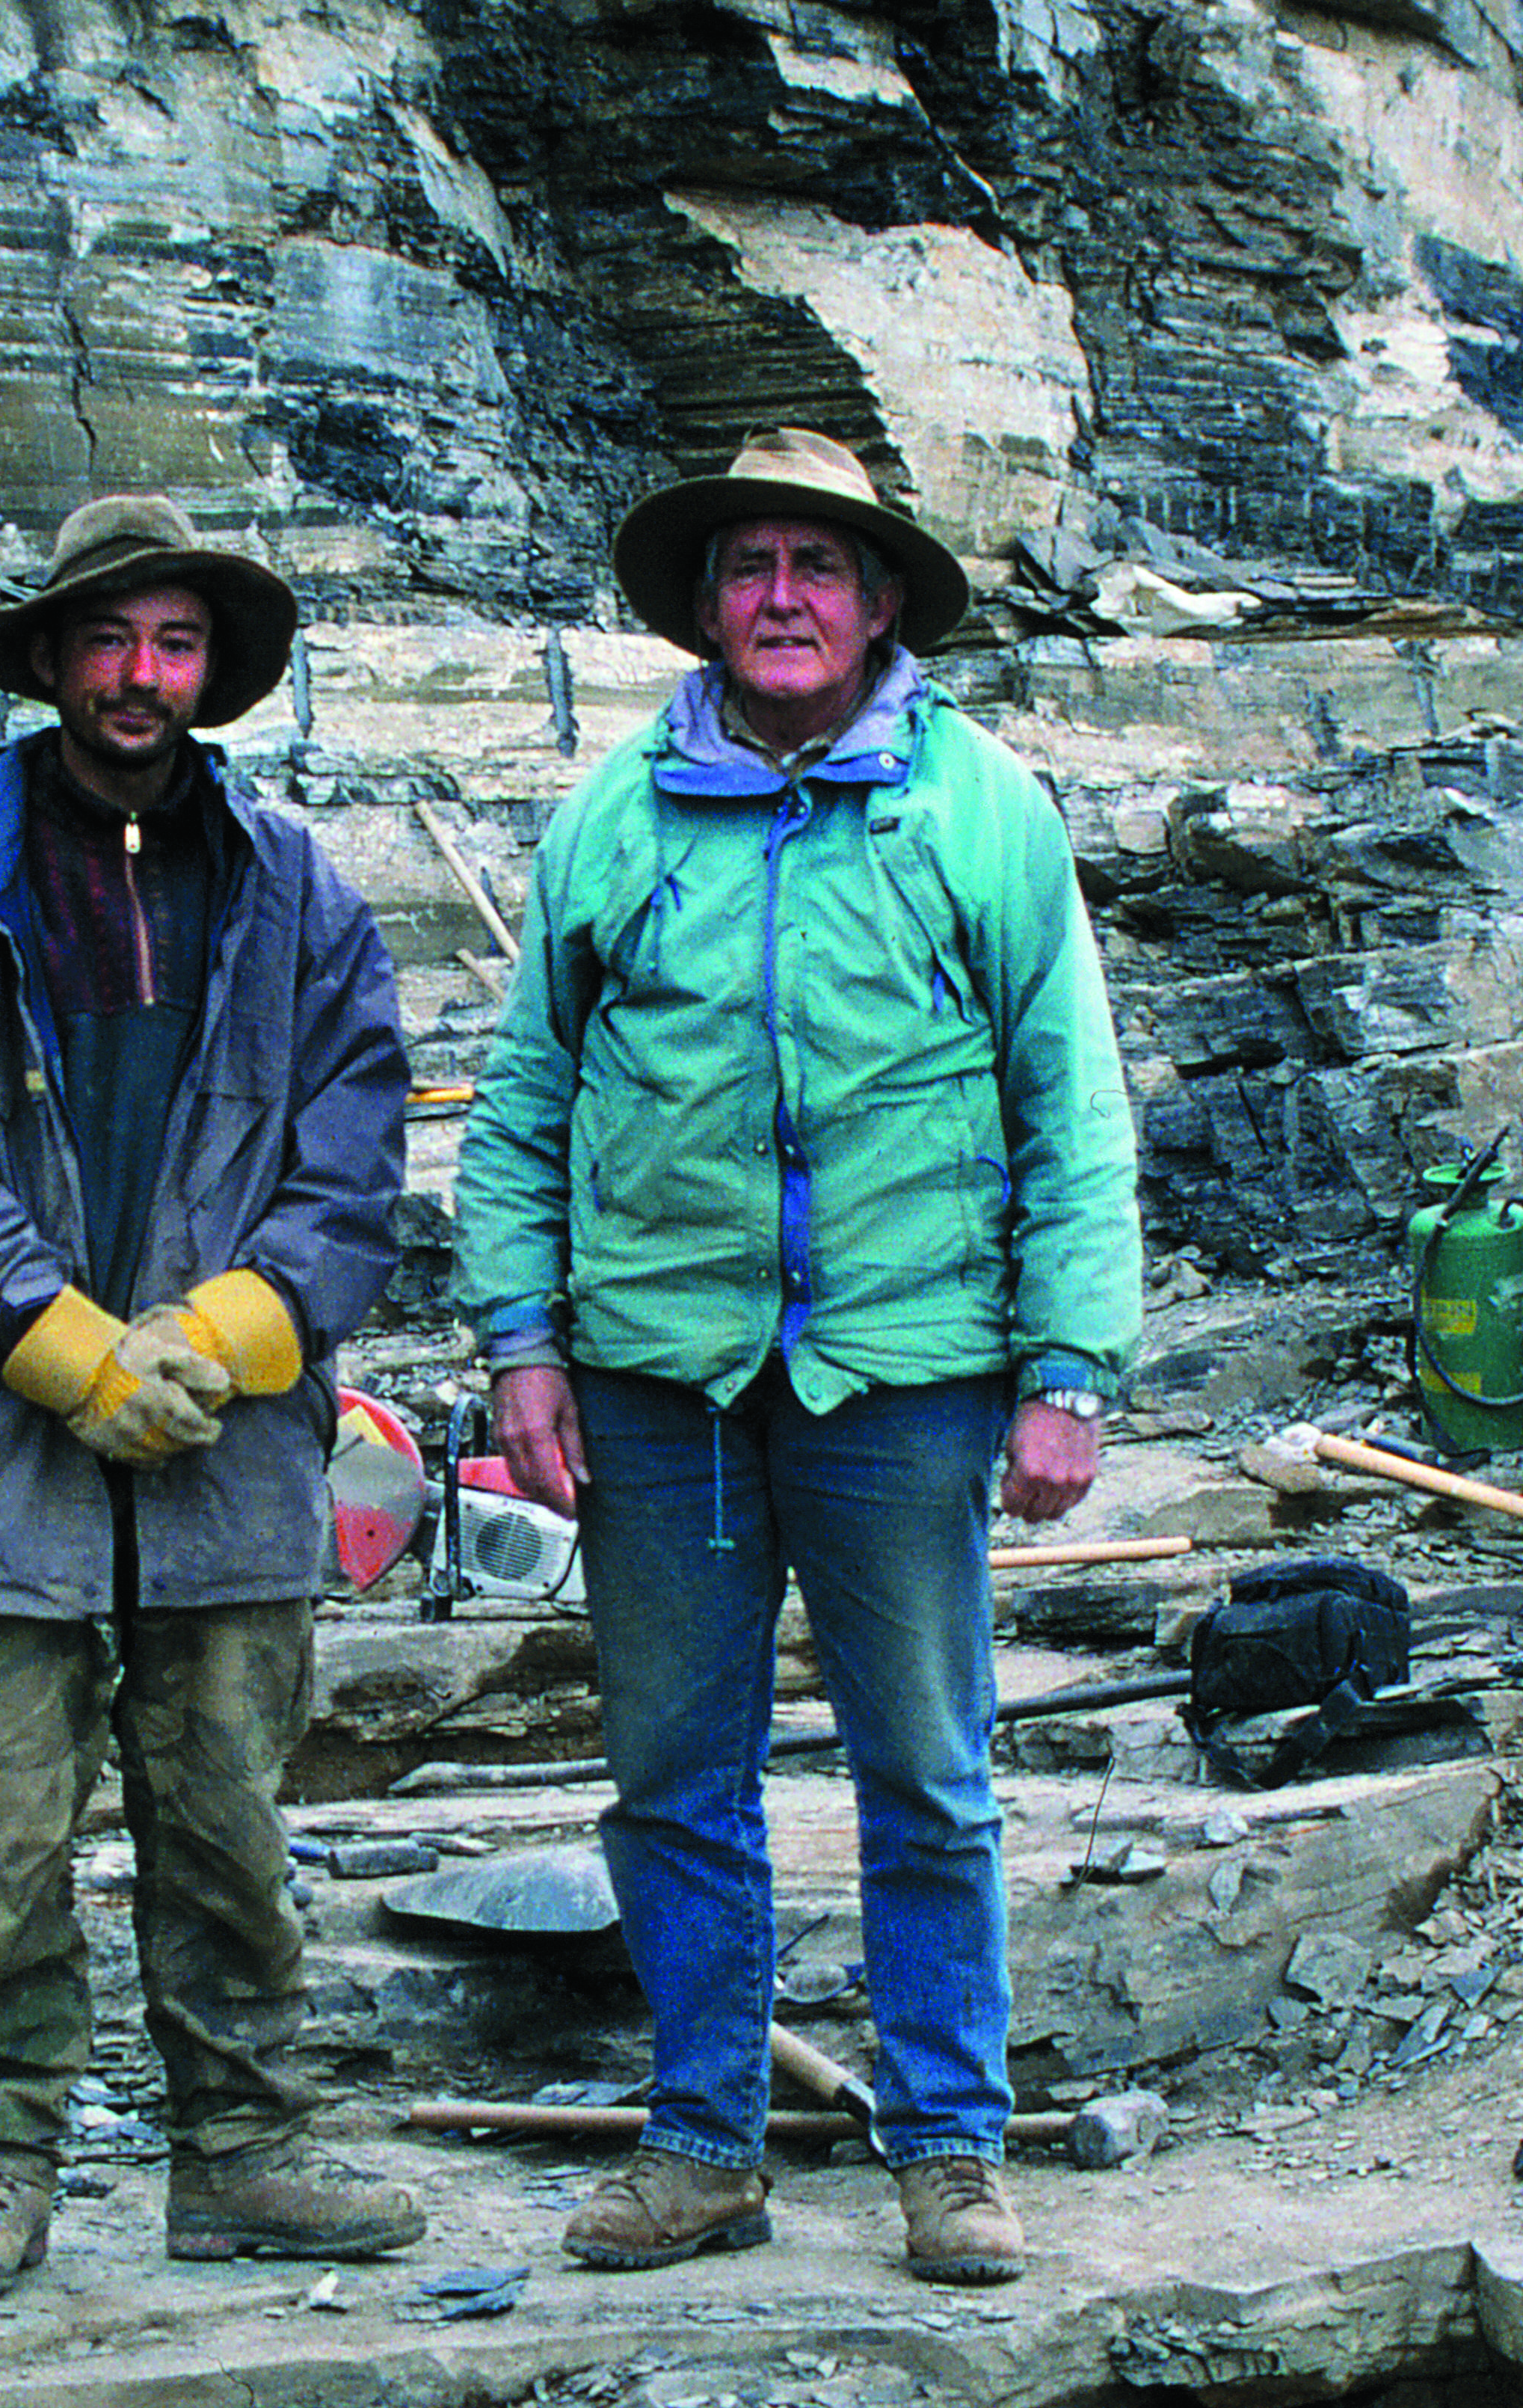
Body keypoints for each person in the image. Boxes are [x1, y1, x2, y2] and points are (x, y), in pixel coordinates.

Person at [453, 429, 1141, 2285]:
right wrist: (521, 1344)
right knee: (673, 1776)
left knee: (928, 1771)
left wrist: (1066, 1366)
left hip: (902, 1372)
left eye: (817, 567)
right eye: (746, 566)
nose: (779, 598)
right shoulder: (612, 816)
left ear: (880, 602)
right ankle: (700, 2146)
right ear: (700, 606)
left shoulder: (981, 809)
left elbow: (1065, 1099)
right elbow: (523, 1101)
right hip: (654, 1377)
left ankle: (947, 2141)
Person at [0, 491, 425, 2301]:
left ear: (208, 670)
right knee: (6, 1827)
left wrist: (229, 1334)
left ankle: (240, 2148)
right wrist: (62, 1348)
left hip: (230, 1444)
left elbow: (352, 1153)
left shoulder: (293, 889)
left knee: (226, 1809)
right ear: (53, 662)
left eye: (170, 644)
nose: (138, 677)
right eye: (107, 642)